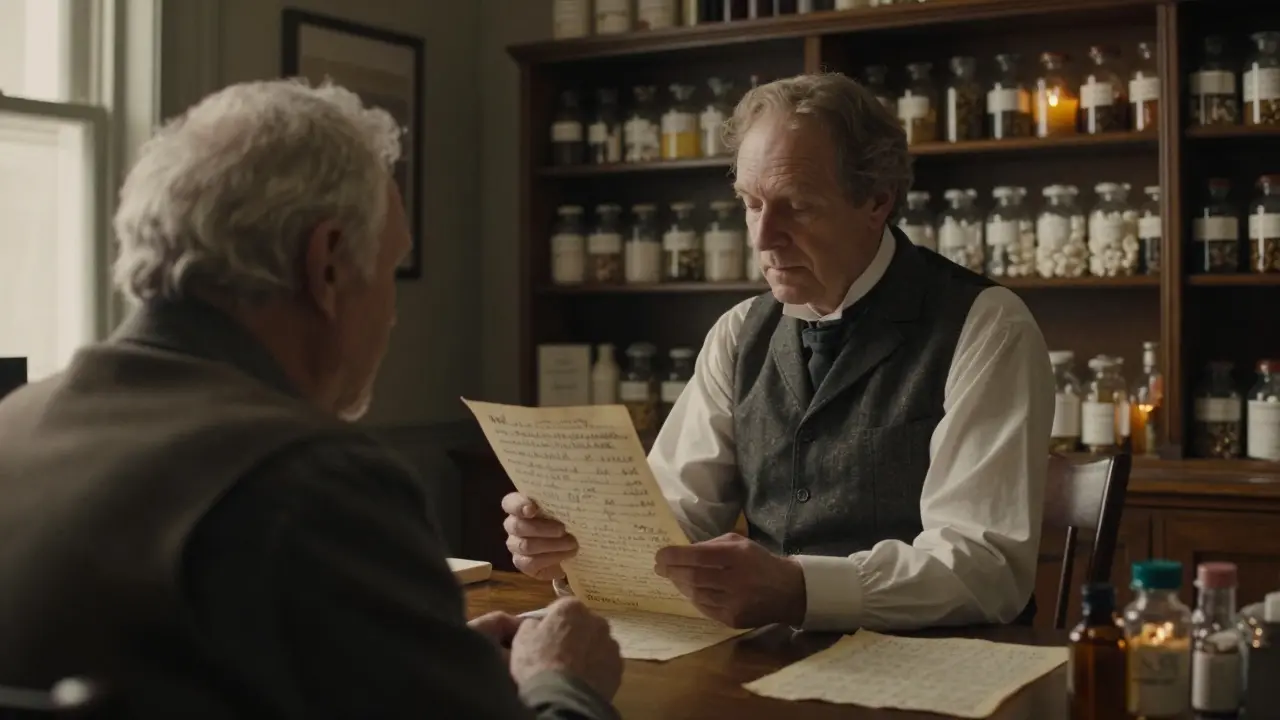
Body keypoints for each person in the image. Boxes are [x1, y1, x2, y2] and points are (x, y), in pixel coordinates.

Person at [0, 79, 622, 719]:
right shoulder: (307, 480)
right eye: (387, 271)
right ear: (326, 266)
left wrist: (417, 659)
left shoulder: (11, 426)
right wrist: (561, 681)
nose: (392, 317)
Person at [502, 72, 1054, 633]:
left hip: (942, 673)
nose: (764, 238)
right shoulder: (740, 331)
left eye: (798, 206)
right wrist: (578, 549)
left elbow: (987, 570)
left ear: (877, 200)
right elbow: (673, 520)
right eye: (751, 203)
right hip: (765, 658)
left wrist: (801, 589)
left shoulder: (984, 326)